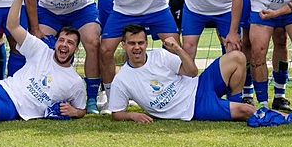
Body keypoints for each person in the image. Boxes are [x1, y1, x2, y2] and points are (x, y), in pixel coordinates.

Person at [28, 0, 112, 113]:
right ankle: (44, 91)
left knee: (93, 41)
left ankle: (90, 97)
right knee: (42, 46)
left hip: (81, 10)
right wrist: (35, 28)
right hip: (50, 11)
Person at [108, 25, 256, 123]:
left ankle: (235, 100)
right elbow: (117, 113)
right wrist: (133, 115)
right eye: (132, 43)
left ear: (146, 43)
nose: (137, 48)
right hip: (193, 107)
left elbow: (192, 72)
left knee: (237, 57)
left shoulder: (160, 55)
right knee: (246, 111)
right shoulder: (121, 80)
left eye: (140, 43)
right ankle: (261, 113)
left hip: (199, 85)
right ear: (123, 44)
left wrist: (178, 49)